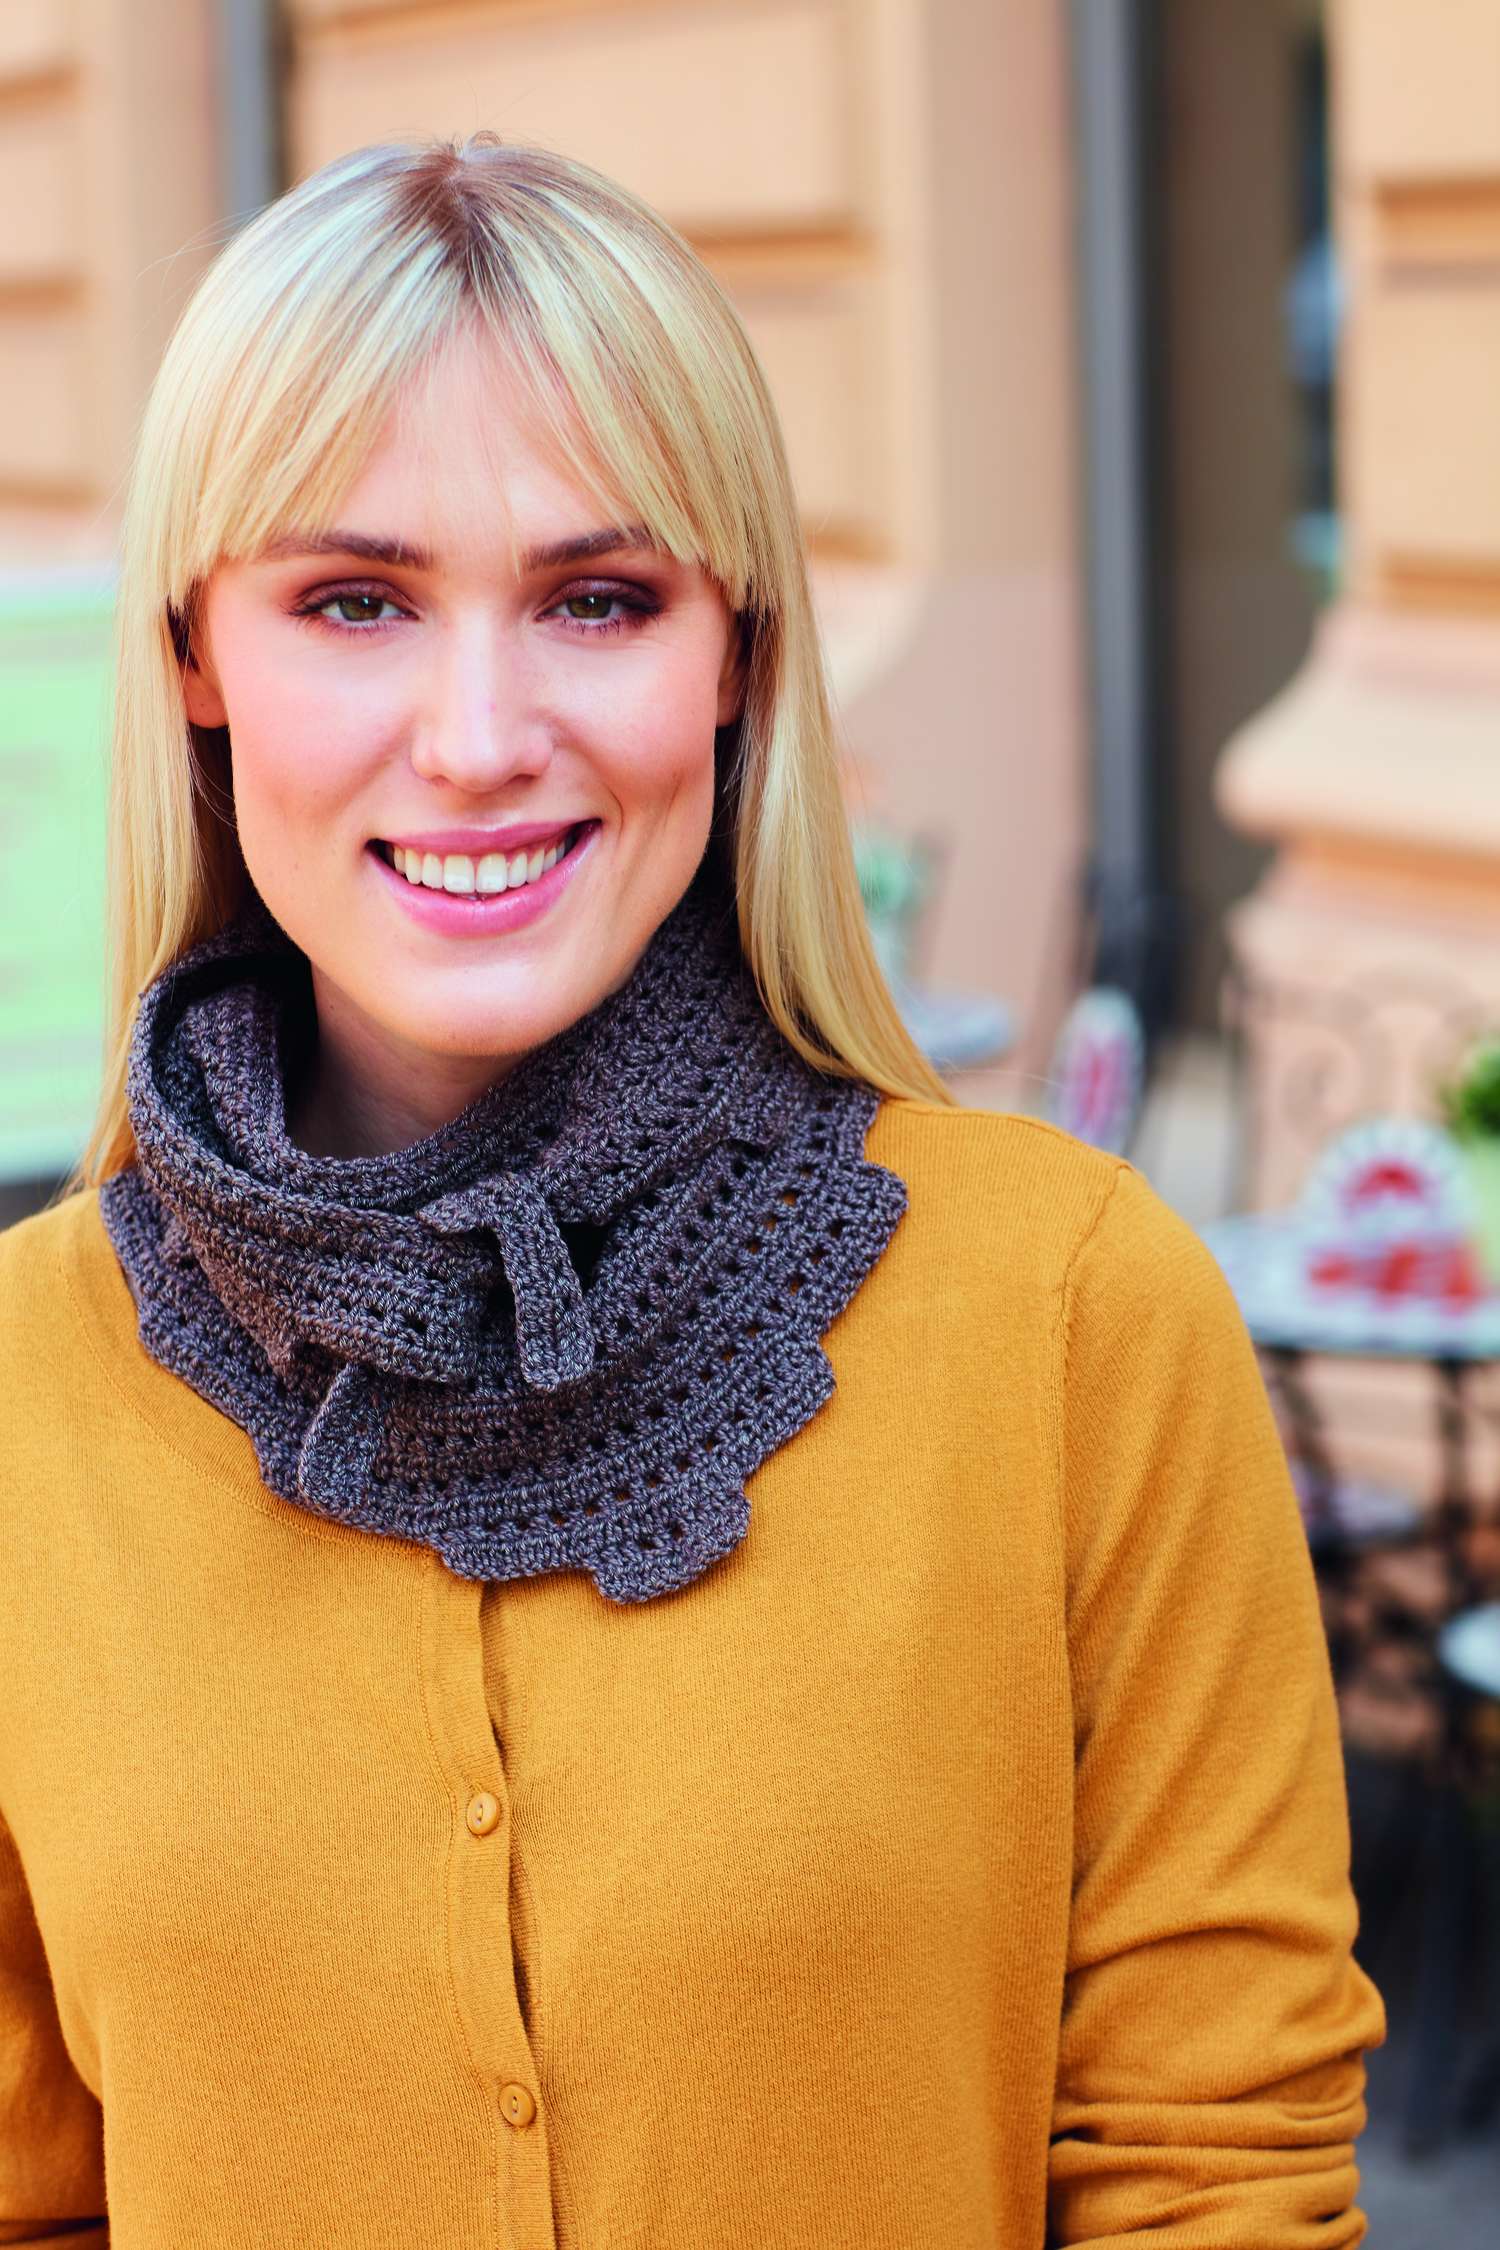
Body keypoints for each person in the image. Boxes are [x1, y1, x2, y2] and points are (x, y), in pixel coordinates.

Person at [0, 134, 1383, 2249]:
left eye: (600, 599)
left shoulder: (1072, 1317)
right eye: (354, 601)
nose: (480, 736)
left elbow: (1220, 2176)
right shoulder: (24, 1396)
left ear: (735, 656)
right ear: (196, 653)